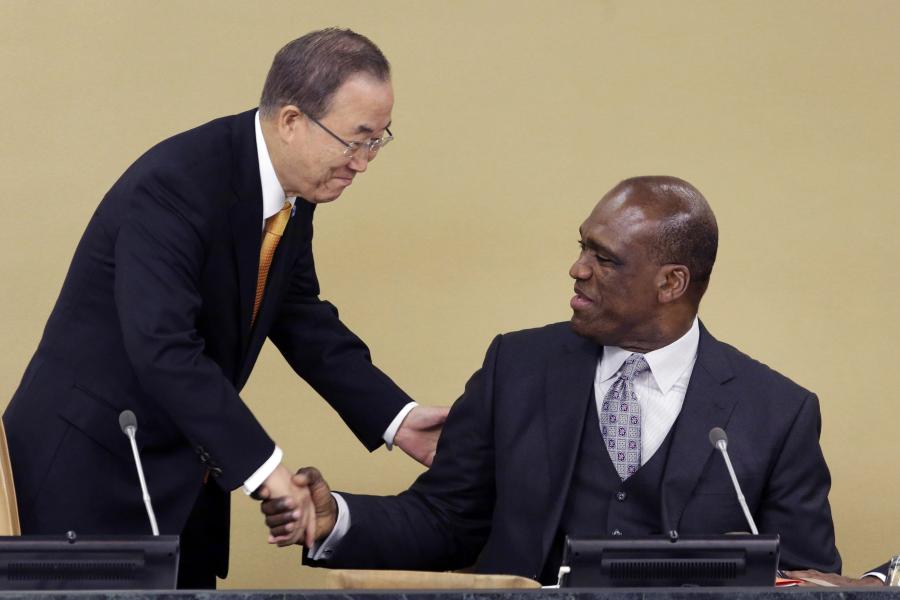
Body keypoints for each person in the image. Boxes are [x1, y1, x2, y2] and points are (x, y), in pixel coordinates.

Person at [3, 28, 447, 589]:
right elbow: (163, 347)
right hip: (89, 475)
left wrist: (397, 419)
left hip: (183, 482)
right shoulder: (176, 185)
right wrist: (266, 469)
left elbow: (300, 315)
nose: (362, 163)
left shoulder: (293, 192)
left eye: (377, 141)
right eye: (354, 141)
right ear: (292, 121)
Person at [261, 176, 841, 583]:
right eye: (582, 246)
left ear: (672, 283)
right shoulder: (516, 366)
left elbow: (805, 579)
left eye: (605, 259)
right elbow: (446, 520)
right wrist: (336, 519)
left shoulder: (777, 413)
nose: (577, 269)